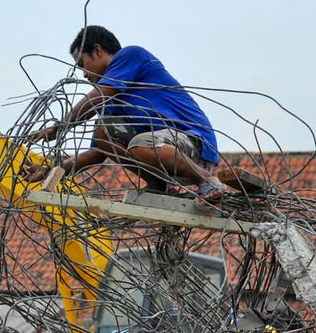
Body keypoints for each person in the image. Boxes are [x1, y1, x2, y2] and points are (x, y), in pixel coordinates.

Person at [26, 26, 232, 202]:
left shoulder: (131, 56)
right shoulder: (111, 103)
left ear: (97, 51)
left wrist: (59, 128)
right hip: (166, 156)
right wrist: (50, 170)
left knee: (138, 144)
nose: (84, 73)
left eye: (82, 64)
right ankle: (157, 182)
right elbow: (96, 153)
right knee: (103, 133)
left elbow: (98, 96)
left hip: (194, 145)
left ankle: (207, 181)